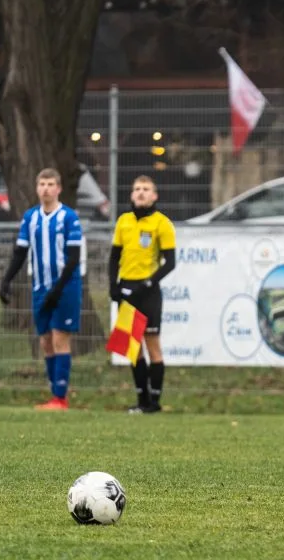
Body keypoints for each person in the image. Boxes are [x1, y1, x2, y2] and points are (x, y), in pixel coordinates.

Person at [0, 168, 84, 411]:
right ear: (37, 188)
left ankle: (61, 397)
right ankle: (53, 394)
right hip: (39, 287)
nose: (45, 189)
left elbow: (74, 257)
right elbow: (20, 251)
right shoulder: (30, 217)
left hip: (65, 288)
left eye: (50, 184)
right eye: (42, 184)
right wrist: (6, 279)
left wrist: (57, 290)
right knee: (45, 341)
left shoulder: (69, 218)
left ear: (58, 188)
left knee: (59, 338)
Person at [109, 175, 176, 414]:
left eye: (146, 189)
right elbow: (114, 257)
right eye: (137, 188)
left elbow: (170, 262)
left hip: (148, 292)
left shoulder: (162, 223)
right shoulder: (123, 222)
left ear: (154, 195)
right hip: (127, 290)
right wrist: (113, 286)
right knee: (133, 349)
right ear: (131, 194)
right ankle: (142, 401)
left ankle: (155, 402)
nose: (141, 192)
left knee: (152, 345)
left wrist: (148, 283)